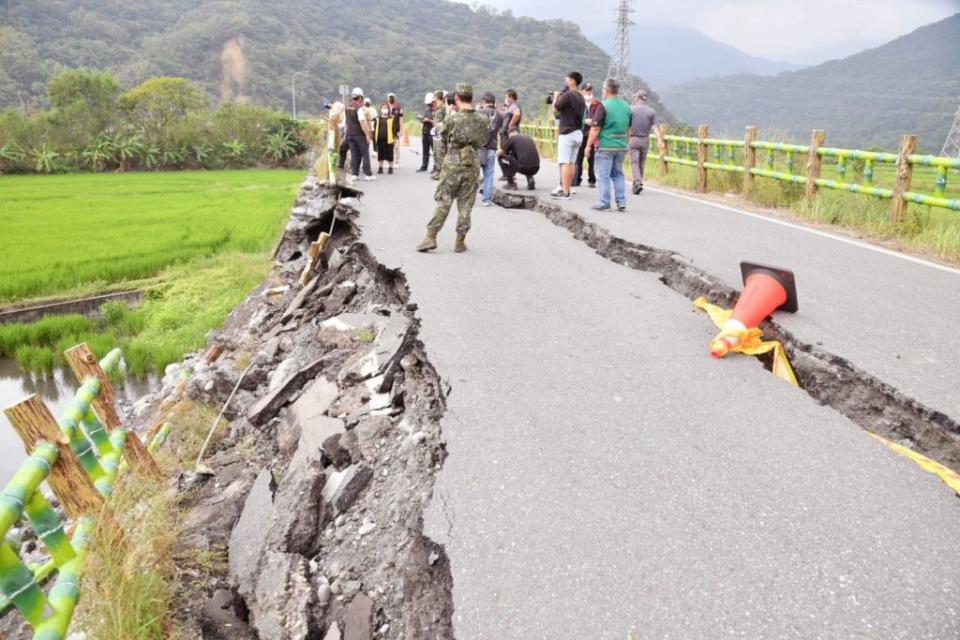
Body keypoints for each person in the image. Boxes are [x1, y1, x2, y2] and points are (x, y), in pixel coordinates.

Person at [417, 83, 488, 254]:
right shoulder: (483, 119)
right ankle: (459, 242)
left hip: (452, 162)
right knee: (466, 204)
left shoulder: (451, 119)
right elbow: (482, 141)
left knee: (444, 201)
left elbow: (439, 139)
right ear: (472, 98)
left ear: (456, 98)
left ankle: (431, 237)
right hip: (472, 163)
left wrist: (441, 164)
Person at [587, 78, 632, 211]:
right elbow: (629, 129)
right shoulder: (626, 106)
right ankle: (621, 201)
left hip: (606, 146)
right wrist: (626, 145)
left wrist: (588, 145)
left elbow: (595, 128)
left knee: (604, 176)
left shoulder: (603, 105)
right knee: (618, 174)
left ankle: (604, 202)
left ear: (606, 90)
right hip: (621, 146)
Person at [550, 71, 586, 201]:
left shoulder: (569, 95)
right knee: (572, 163)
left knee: (564, 162)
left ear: (572, 81)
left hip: (567, 133)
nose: (565, 80)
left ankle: (565, 192)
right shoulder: (580, 96)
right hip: (578, 133)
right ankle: (568, 188)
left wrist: (555, 97)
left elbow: (555, 109)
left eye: (567, 78)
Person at [343, 87, 375, 181]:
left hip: (350, 135)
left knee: (354, 154)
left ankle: (354, 174)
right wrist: (367, 135)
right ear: (360, 98)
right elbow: (363, 123)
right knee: (365, 153)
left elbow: (346, 122)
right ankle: (368, 174)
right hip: (359, 135)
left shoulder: (347, 106)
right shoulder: (358, 108)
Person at [476, 92, 502, 206]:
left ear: (484, 102)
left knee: (474, 173)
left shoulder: (480, 113)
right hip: (492, 147)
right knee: (489, 174)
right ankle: (486, 200)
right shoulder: (500, 115)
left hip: (479, 147)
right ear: (494, 102)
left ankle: (470, 197)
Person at [629, 89, 657, 194]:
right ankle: (637, 184)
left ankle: (637, 182)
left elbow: (628, 127)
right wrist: (659, 140)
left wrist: (626, 140)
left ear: (637, 97)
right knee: (641, 162)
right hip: (645, 139)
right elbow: (654, 127)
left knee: (634, 162)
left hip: (634, 138)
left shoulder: (631, 110)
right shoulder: (651, 111)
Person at [574, 83, 601, 189]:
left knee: (592, 159)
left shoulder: (597, 104)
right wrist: (584, 121)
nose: (589, 92)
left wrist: (593, 121)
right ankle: (576, 179)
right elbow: (574, 116)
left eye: (590, 90)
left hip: (593, 135)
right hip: (580, 134)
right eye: (586, 90)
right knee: (578, 158)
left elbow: (600, 118)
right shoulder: (578, 103)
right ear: (581, 91)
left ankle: (592, 180)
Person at [498, 126, 540, 191]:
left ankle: (510, 183)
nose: (509, 137)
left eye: (509, 135)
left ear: (512, 133)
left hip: (524, 168)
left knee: (501, 157)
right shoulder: (528, 137)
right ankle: (530, 179)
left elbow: (500, 152)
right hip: (536, 168)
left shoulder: (512, 138)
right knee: (523, 159)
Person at [374, 101, 401, 174]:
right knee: (380, 154)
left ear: (389, 109)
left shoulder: (392, 118)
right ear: (380, 109)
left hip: (389, 139)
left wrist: (396, 137)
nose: (384, 109)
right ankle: (380, 167)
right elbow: (375, 128)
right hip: (380, 139)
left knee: (390, 154)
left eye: (386, 108)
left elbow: (395, 128)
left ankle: (390, 167)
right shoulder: (377, 118)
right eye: (383, 108)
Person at [417, 92, 435, 172]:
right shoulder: (426, 109)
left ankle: (436, 167)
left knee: (434, 150)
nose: (429, 104)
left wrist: (429, 120)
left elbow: (437, 121)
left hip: (432, 132)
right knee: (425, 150)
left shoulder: (436, 109)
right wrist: (421, 119)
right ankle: (424, 166)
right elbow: (424, 118)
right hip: (425, 131)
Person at [431, 90, 448, 179]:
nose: (433, 98)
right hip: (436, 132)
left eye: (434, 96)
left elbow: (446, 120)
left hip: (441, 133)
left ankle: (442, 173)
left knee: (441, 152)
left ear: (437, 97)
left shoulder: (443, 107)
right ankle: (438, 171)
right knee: (435, 152)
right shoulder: (437, 107)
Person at [387, 93, 404, 166]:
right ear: (387, 98)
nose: (391, 98)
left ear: (394, 98)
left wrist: (401, 130)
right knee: (388, 146)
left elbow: (401, 119)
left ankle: (396, 161)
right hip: (387, 129)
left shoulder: (398, 108)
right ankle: (389, 161)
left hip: (396, 129)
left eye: (392, 97)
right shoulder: (385, 107)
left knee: (396, 146)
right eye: (390, 97)